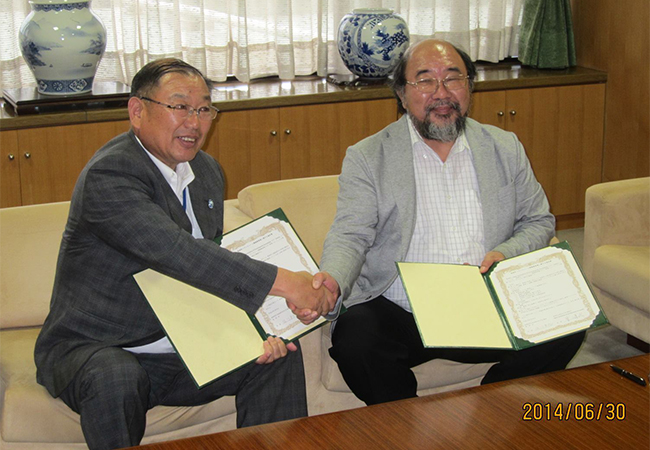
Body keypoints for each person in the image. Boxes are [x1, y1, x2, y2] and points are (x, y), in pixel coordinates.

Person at [34, 58, 335, 450]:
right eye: (180, 107)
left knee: (277, 356)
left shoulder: (206, 172)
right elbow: (178, 253)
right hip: (99, 346)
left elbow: (211, 270)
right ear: (137, 111)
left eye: (204, 109)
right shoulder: (111, 175)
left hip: (182, 347)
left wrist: (257, 329)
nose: (194, 122)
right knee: (116, 376)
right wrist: (287, 284)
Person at [311, 39, 585, 405]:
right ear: (402, 93)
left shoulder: (504, 147)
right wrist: (332, 279)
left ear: (470, 87)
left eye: (453, 79)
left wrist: (506, 252)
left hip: (485, 301)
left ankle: (492, 412)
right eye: (425, 80)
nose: (441, 93)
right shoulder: (369, 156)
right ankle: (404, 422)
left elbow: (538, 220)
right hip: (403, 309)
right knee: (356, 340)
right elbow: (350, 234)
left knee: (571, 320)